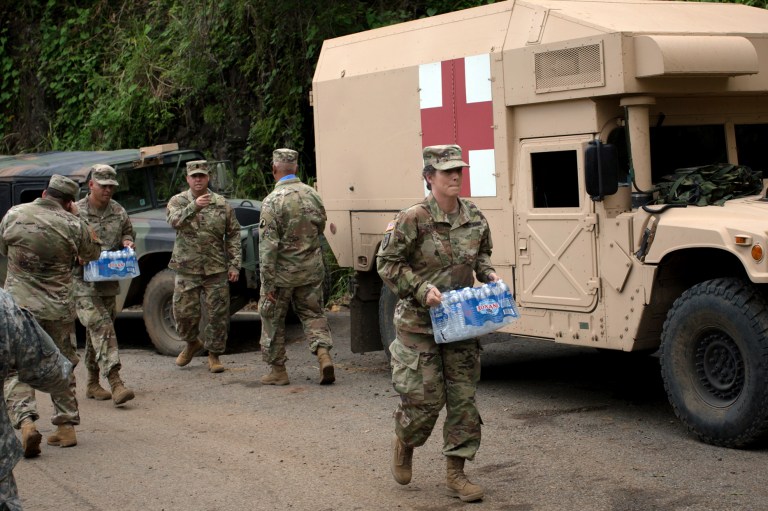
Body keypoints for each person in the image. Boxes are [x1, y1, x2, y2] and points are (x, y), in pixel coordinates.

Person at [376, 145, 498, 502]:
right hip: (419, 324)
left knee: (463, 399)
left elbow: (483, 254)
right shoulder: (412, 218)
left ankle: (456, 474)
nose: (455, 176)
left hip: (461, 321)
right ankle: (406, 439)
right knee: (425, 401)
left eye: (458, 170)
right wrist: (420, 288)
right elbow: (388, 263)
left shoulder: (473, 216)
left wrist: (489, 275)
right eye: (447, 172)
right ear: (429, 177)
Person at [0, 174, 101, 454]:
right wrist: (79, 217)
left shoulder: (14, 214)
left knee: (14, 367)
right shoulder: (72, 223)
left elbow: (3, 250)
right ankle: (66, 427)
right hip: (58, 308)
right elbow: (93, 252)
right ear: (69, 202)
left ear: (45, 193)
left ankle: (27, 422)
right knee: (61, 363)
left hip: (19, 308)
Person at [258, 148, 334, 386]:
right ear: (296, 169)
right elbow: (320, 225)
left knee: (272, 318)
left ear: (274, 170)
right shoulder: (313, 194)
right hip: (311, 269)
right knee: (313, 314)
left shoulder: (272, 201)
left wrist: (267, 283)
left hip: (282, 275)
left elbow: (268, 247)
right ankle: (323, 356)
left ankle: (278, 370)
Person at [0, 288, 73, 511]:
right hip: (56, 305)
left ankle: (25, 420)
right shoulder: (3, 307)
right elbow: (53, 375)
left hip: (26, 293)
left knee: (16, 375)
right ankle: (66, 422)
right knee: (21, 367)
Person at [167, 160, 241, 373]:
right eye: (194, 176)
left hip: (215, 267)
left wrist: (234, 264)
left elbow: (234, 233)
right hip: (186, 267)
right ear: (187, 179)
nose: (198, 179)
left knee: (218, 314)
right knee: (183, 312)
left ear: (208, 177)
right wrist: (194, 207)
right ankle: (191, 343)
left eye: (202, 176)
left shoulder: (220, 203)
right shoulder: (178, 201)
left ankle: (214, 355)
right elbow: (173, 221)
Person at [74, 164, 136, 406]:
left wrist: (128, 242)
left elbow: (128, 233)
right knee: (101, 327)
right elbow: (62, 241)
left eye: (111, 186)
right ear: (91, 185)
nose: (108, 190)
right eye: (103, 185)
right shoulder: (75, 211)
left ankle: (91, 382)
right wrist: (75, 255)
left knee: (97, 333)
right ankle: (116, 381)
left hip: (108, 280)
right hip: (81, 283)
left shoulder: (118, 211)